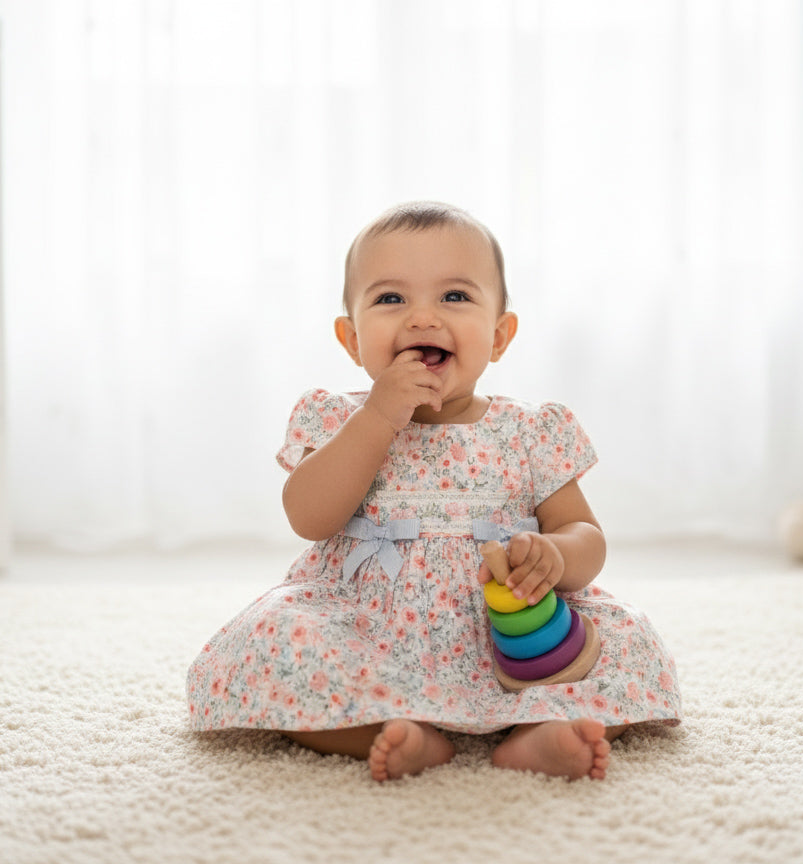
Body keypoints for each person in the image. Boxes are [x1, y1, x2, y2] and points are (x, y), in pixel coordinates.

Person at [186, 201, 681, 782]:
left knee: (629, 639)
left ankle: (539, 733)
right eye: (391, 299)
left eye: (454, 296)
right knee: (277, 638)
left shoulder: (530, 430)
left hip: (510, 637)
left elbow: (585, 534)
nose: (423, 318)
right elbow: (308, 517)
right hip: (371, 631)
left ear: (499, 336)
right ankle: (393, 731)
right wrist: (377, 417)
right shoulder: (335, 417)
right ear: (352, 339)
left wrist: (555, 555)